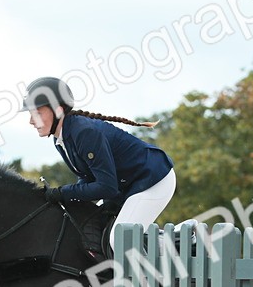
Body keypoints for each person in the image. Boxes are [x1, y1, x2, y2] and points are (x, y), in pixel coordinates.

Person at [21, 76, 176, 254]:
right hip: (126, 185)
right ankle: (171, 240)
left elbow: (106, 187)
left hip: (153, 180)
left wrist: (63, 193)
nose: (31, 121)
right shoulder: (60, 138)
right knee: (95, 227)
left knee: (120, 239)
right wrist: (66, 199)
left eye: (37, 114)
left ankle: (167, 259)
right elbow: (87, 176)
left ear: (57, 110)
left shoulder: (84, 132)